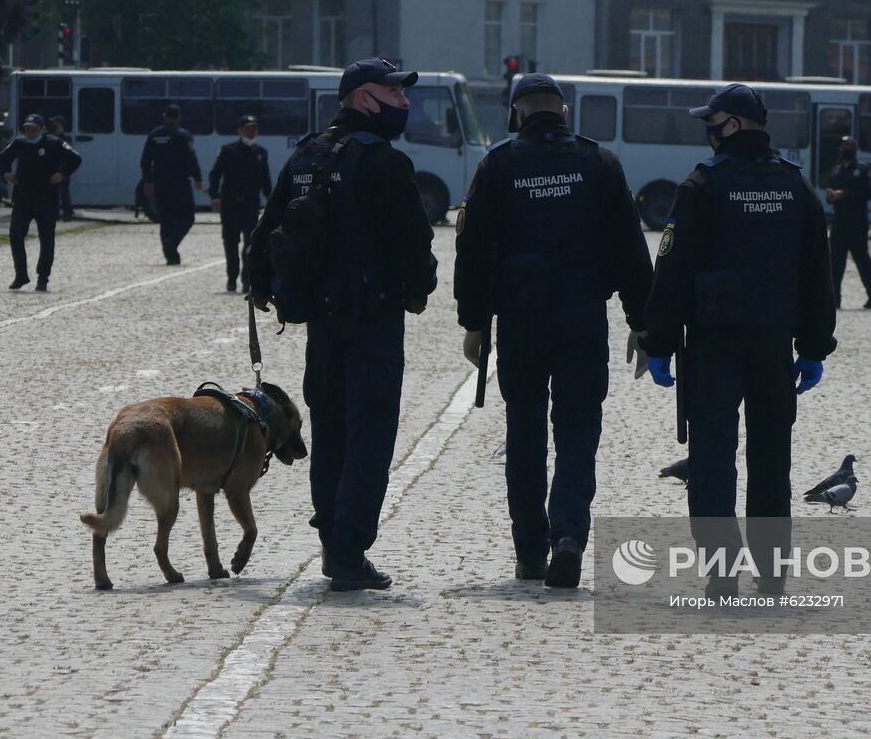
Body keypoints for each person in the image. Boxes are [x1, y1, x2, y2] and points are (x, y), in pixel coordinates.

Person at [453, 74, 654, 588]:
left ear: (517, 112)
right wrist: (642, 321)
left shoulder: (498, 165)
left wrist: (475, 322)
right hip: (582, 317)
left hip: (520, 321)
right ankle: (568, 535)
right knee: (578, 430)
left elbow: (473, 251)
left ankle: (529, 550)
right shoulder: (599, 163)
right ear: (564, 111)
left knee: (524, 432)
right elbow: (629, 251)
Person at [248, 58, 437, 592]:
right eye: (394, 92)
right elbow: (411, 239)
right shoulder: (382, 161)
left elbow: (269, 227)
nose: (403, 102)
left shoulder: (306, 154)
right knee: (369, 435)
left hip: (321, 320)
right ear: (361, 98)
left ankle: (333, 538)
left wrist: (259, 281)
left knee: (329, 431)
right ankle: (350, 552)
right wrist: (420, 288)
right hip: (372, 319)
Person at [640, 82, 836, 596]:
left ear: (732, 126)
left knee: (712, 456)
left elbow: (673, 267)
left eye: (713, 121)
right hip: (774, 342)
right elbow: (818, 273)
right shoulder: (795, 186)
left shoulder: (703, 184)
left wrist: (657, 341)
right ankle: (772, 575)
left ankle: (722, 572)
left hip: (713, 342)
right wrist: (814, 346)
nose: (708, 131)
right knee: (772, 457)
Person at [0, 114, 82, 291]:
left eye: (34, 129)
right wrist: (6, 174)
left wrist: (62, 173)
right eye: (27, 129)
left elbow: (75, 158)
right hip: (23, 198)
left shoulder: (53, 143)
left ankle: (43, 277)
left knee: (46, 239)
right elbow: (3, 159)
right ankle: (21, 275)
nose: (30, 132)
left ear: (42, 128)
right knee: (15, 235)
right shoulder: (19, 143)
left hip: (46, 199)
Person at [209, 115, 272, 293]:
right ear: (240, 130)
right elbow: (215, 175)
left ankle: (246, 279)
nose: (251, 131)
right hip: (230, 204)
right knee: (230, 242)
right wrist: (214, 196)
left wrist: (273, 201)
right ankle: (231, 277)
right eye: (248, 128)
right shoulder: (228, 150)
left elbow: (265, 181)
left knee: (251, 243)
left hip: (251, 204)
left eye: (254, 128)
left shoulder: (261, 153)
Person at [140, 103, 202, 264]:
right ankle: (172, 241)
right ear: (179, 118)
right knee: (188, 217)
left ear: (164, 116)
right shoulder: (184, 136)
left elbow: (146, 160)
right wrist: (198, 178)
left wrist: (147, 181)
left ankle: (170, 255)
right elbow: (191, 159)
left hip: (160, 183)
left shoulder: (154, 135)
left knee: (166, 218)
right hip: (180, 183)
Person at [824, 136, 871, 309]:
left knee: (862, 260)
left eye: (849, 146)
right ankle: (835, 299)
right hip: (839, 221)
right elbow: (829, 193)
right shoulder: (836, 171)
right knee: (835, 263)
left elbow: (867, 194)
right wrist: (832, 196)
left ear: (855, 149)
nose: (845, 149)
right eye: (843, 146)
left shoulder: (864, 170)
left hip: (857, 221)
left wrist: (846, 194)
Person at [48, 115, 76, 220]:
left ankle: (67, 213)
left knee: (64, 193)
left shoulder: (65, 139)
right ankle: (56, 213)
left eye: (55, 123)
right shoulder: (52, 137)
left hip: (62, 169)